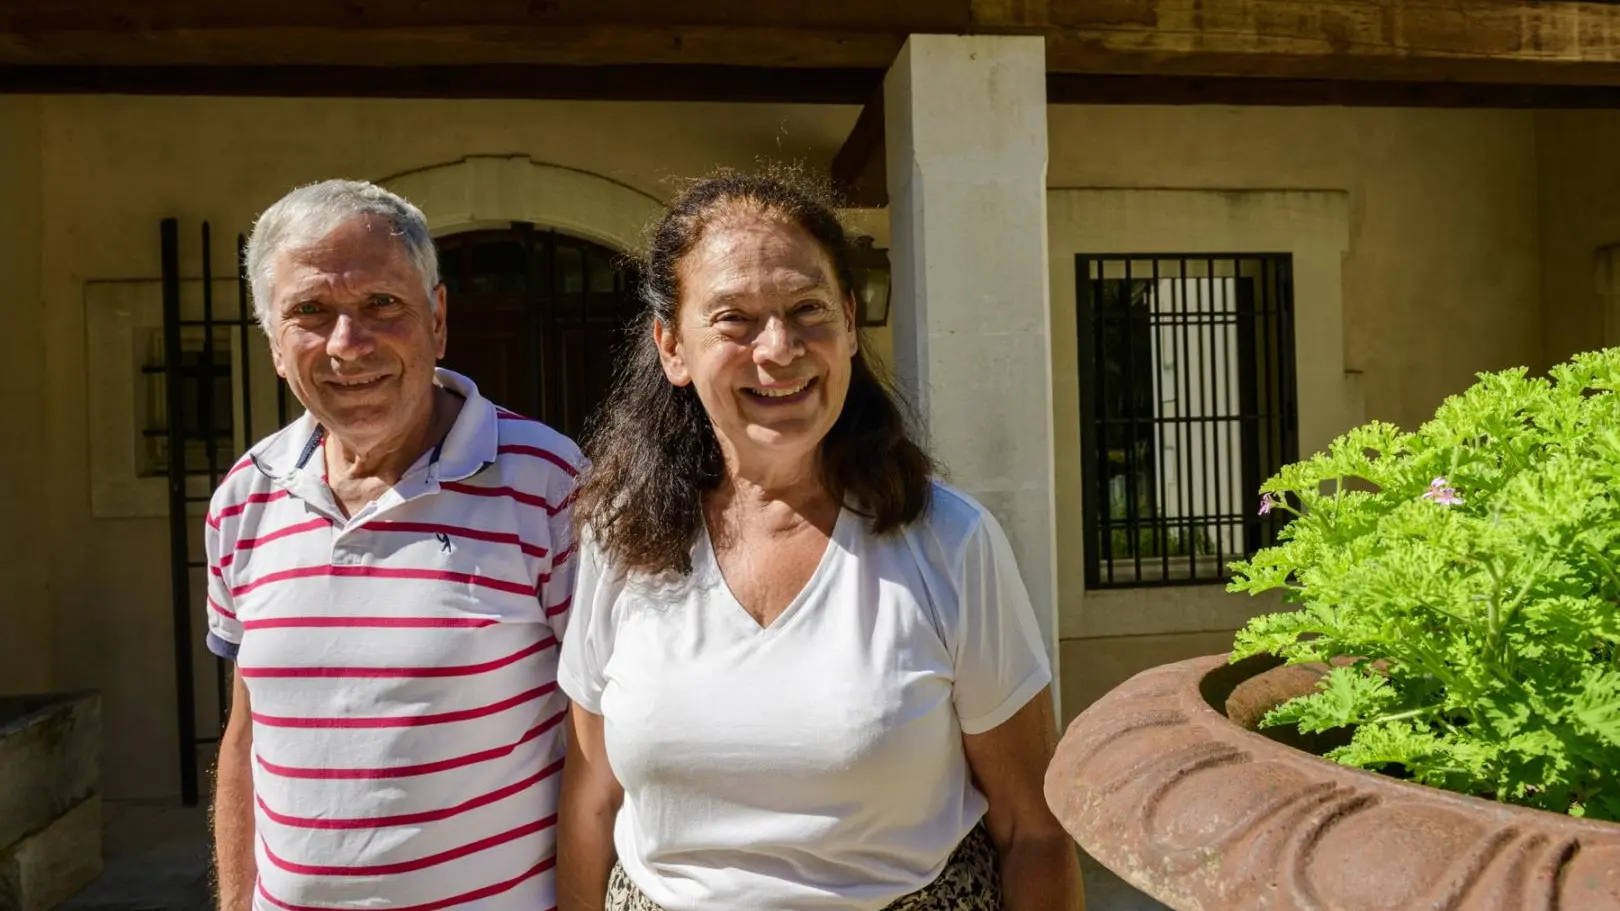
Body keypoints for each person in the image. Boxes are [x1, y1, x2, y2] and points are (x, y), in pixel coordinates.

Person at [555, 172, 1084, 911]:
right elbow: (591, 804)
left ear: (848, 322)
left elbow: (1034, 828)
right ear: (673, 347)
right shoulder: (620, 541)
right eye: (734, 319)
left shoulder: (951, 542)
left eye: (807, 310)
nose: (779, 349)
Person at [205, 179, 581, 911]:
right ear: (276, 347)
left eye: (382, 303)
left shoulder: (550, 484)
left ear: (437, 320)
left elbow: (607, 746)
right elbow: (245, 736)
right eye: (310, 312)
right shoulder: (242, 498)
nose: (349, 343)